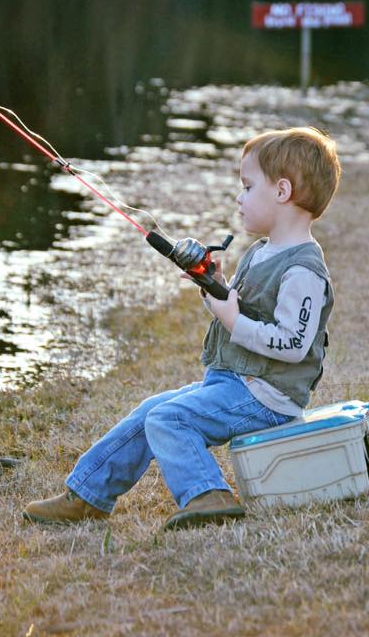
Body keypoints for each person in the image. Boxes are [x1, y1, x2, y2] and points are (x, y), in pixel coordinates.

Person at [22, 126, 342, 530]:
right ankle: (87, 494)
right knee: (149, 412)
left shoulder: (303, 270)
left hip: (267, 398)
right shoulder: (262, 252)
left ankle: (208, 494)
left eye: (247, 187)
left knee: (169, 419)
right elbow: (244, 310)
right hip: (236, 384)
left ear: (281, 191)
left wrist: (232, 319)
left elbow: (293, 343)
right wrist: (217, 286)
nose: (239, 198)